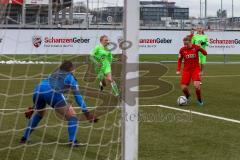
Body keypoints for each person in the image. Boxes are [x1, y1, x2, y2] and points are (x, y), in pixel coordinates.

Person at [21, 60, 97, 146]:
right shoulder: (70, 77)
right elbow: (78, 96)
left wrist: (34, 107)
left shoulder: (54, 73)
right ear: (71, 69)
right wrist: (87, 113)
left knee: (40, 114)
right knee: (73, 117)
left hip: (38, 90)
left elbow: (44, 88)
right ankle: (72, 141)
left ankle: (24, 137)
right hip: (52, 93)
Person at [176, 36, 207, 106]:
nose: (185, 45)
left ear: (190, 42)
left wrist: (200, 48)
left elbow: (205, 53)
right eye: (184, 44)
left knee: (197, 86)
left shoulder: (196, 47)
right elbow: (179, 60)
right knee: (183, 88)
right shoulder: (182, 50)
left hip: (195, 69)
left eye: (187, 44)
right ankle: (188, 96)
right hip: (186, 70)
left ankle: (199, 100)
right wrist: (178, 69)